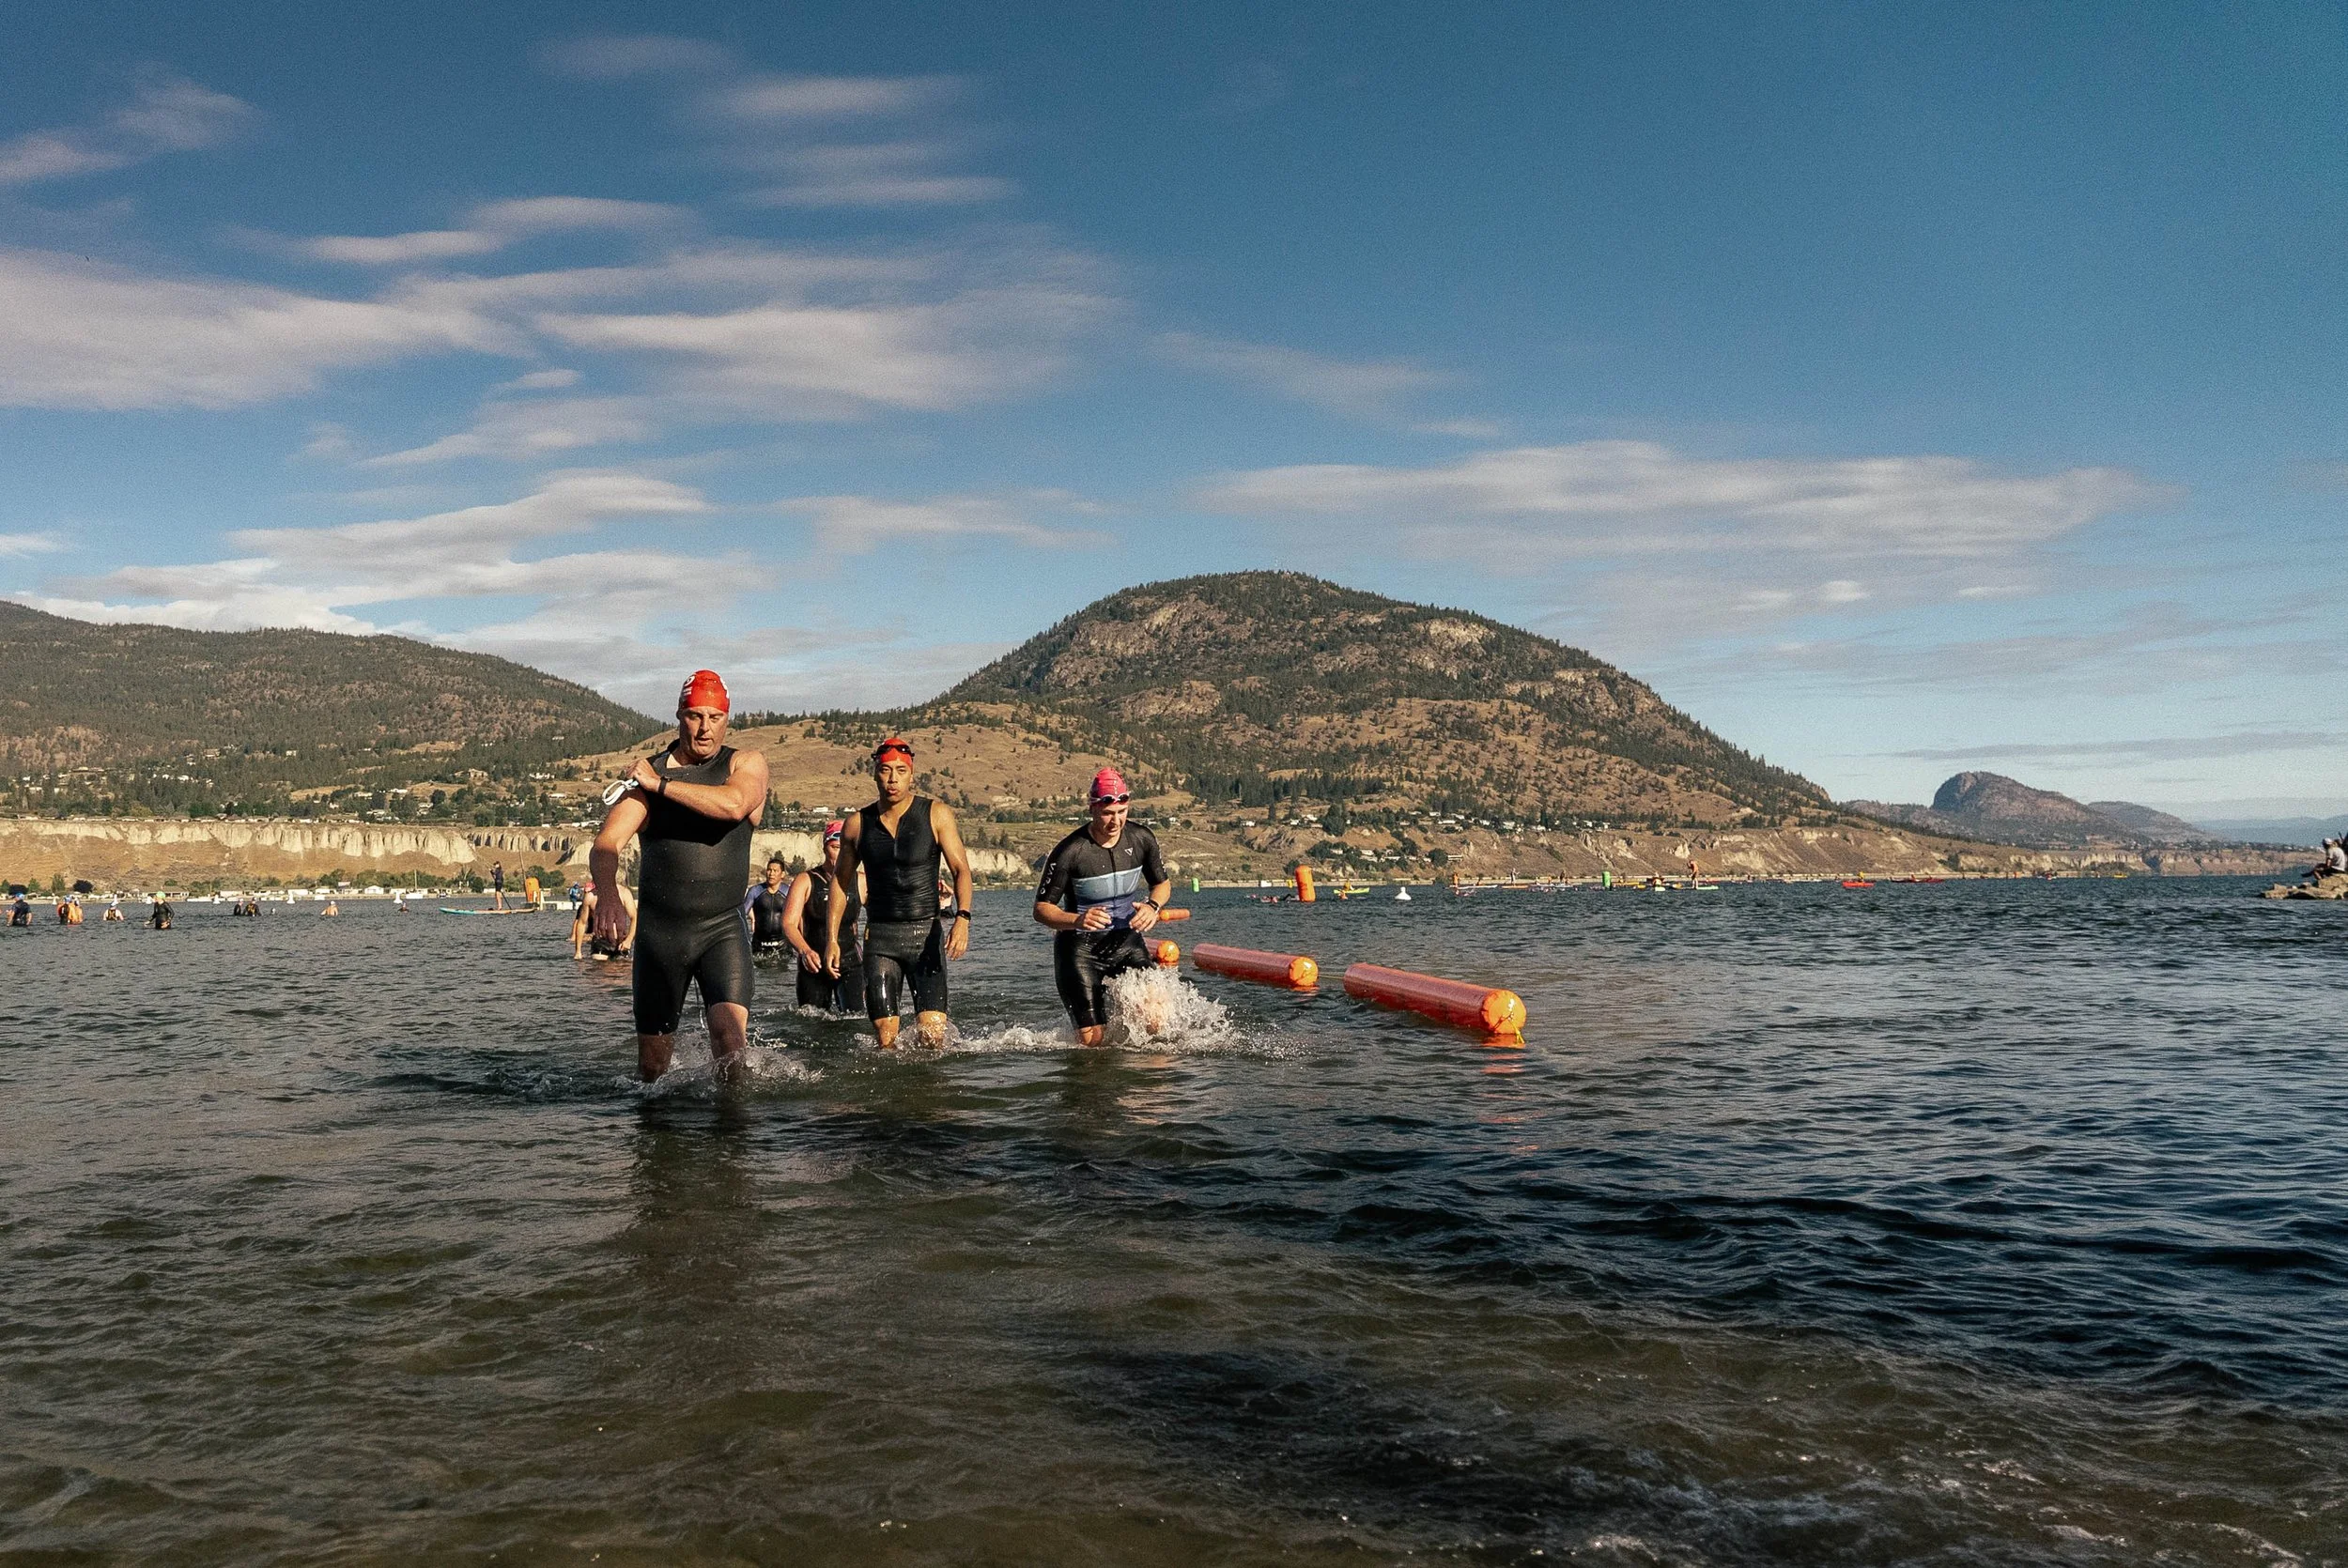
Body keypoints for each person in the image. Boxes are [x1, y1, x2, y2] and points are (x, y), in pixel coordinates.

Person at [590, 669, 768, 1082]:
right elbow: (606, 844)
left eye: (714, 717)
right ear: (679, 715)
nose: (705, 728)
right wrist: (610, 898)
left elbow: (735, 804)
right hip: (660, 935)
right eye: (694, 716)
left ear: (727, 719)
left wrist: (661, 785)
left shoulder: (745, 763)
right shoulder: (645, 779)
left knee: (730, 1044)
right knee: (652, 1068)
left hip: (722, 928)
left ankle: (733, 1141)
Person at [825, 736, 973, 1050]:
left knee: (932, 1038)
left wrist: (962, 918)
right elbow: (840, 882)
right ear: (875, 773)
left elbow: (961, 869)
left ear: (911, 774)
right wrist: (832, 939)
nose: (893, 778)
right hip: (880, 938)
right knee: (885, 1039)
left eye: (901, 771)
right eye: (885, 770)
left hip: (926, 935)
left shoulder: (936, 814)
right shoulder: (857, 825)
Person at [1032, 767, 1171, 1046]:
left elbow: (1162, 884)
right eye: (1108, 813)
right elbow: (1042, 909)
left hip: (1127, 944)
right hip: (1081, 952)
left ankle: (1146, 1089)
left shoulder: (1142, 839)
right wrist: (1076, 920)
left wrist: (1152, 906)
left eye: (1122, 812)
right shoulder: (1070, 851)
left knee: (1156, 1021)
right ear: (1093, 808)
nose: (1115, 821)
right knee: (1092, 1041)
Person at [783, 823, 865, 1013]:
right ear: (824, 848)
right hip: (813, 963)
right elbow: (788, 923)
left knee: (854, 1020)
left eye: (845, 849)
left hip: (849, 962)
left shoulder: (860, 881)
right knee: (812, 1023)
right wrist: (804, 951)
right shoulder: (805, 880)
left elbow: (882, 916)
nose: (840, 854)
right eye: (835, 848)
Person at [572, 881, 637, 960]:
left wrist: (629, 940)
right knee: (599, 967)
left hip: (621, 941)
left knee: (622, 967)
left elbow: (634, 917)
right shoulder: (591, 896)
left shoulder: (624, 893)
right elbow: (581, 922)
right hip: (601, 941)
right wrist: (578, 951)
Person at [745, 855, 794, 959]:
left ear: (782, 874)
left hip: (782, 945)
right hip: (759, 945)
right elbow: (742, 913)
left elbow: (799, 916)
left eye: (775, 871)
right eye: (769, 870)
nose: (771, 874)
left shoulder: (789, 892)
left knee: (781, 973)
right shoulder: (755, 891)